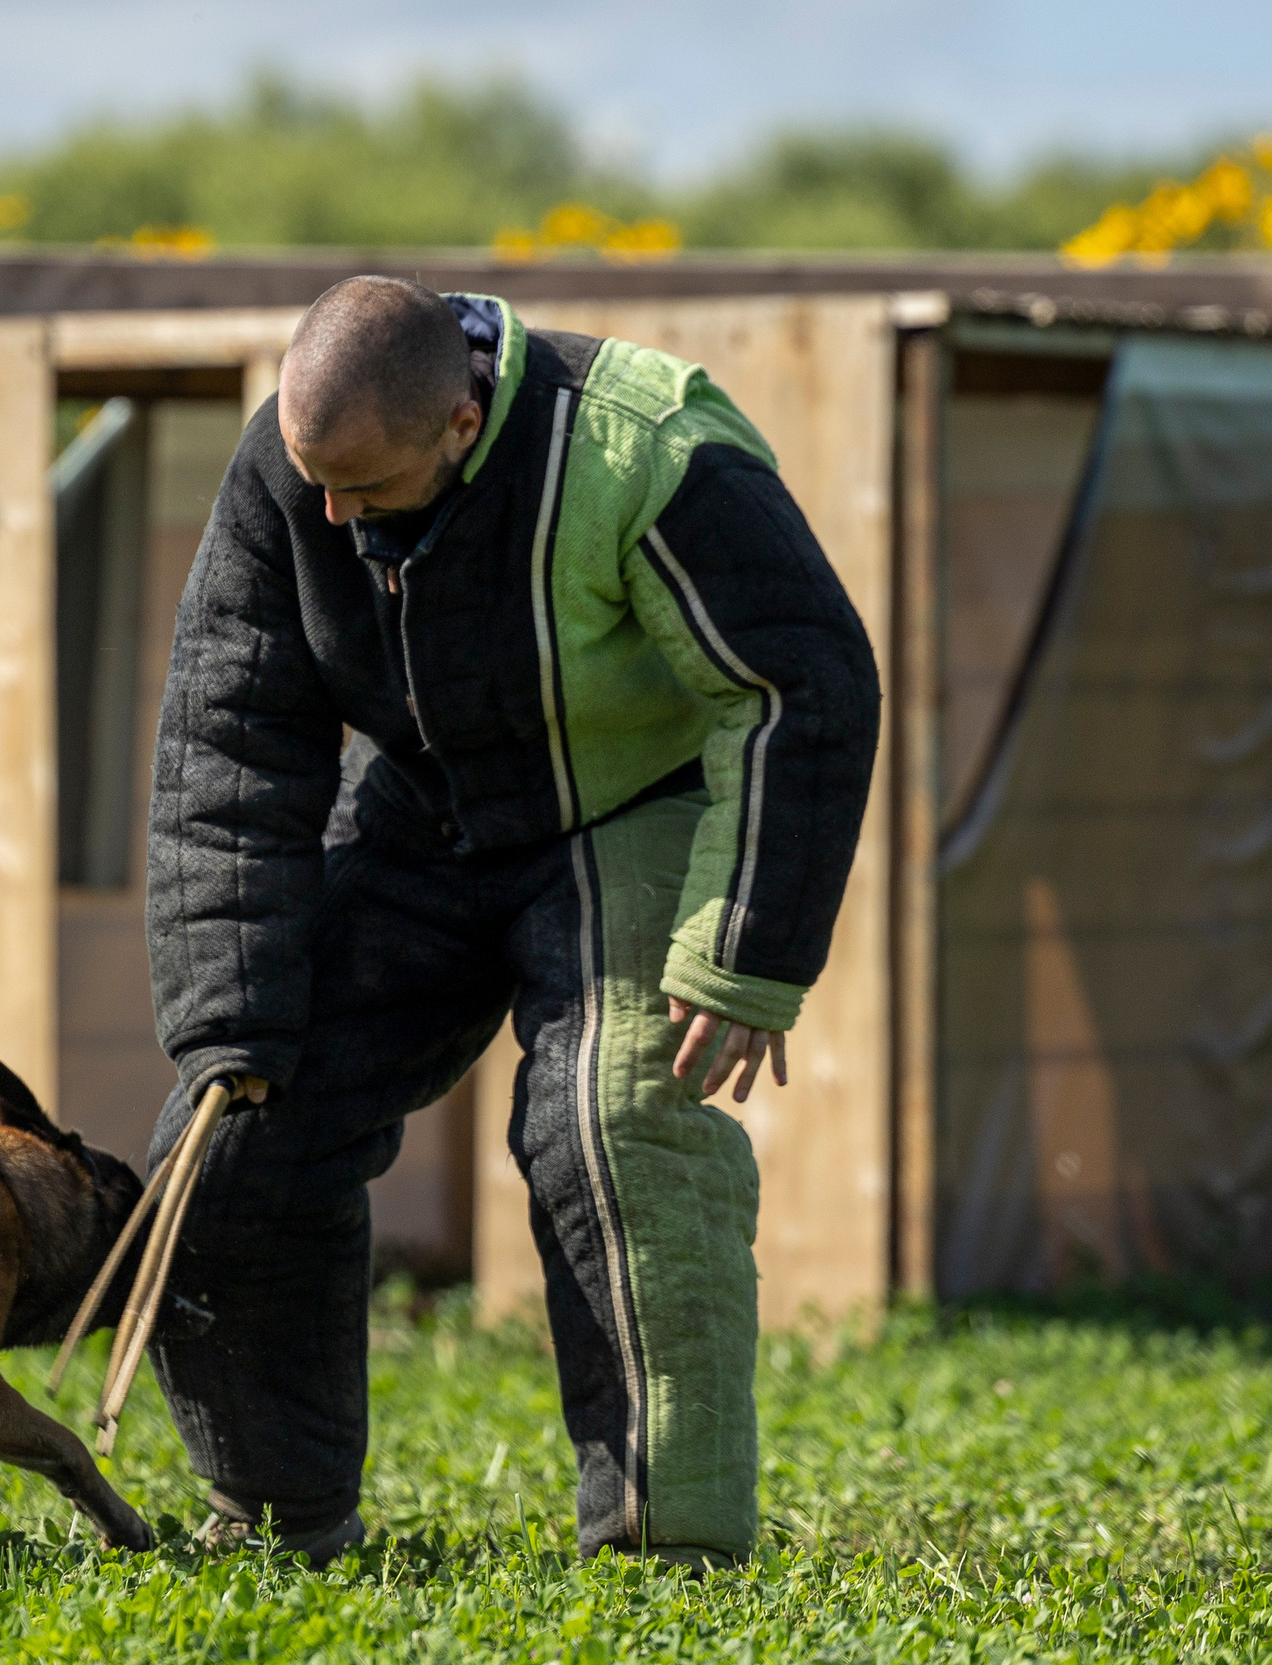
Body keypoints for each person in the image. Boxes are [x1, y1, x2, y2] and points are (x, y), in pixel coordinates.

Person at [142, 276, 880, 1569]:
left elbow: (800, 680)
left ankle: (668, 1551)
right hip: (423, 813)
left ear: (462, 420)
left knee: (615, 1119)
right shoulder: (293, 467)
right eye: (315, 480)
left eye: (362, 489)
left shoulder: (644, 450)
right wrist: (230, 1018)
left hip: (625, 810)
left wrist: (747, 950)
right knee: (233, 1138)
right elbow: (230, 734)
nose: (330, 514)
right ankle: (278, 1518)